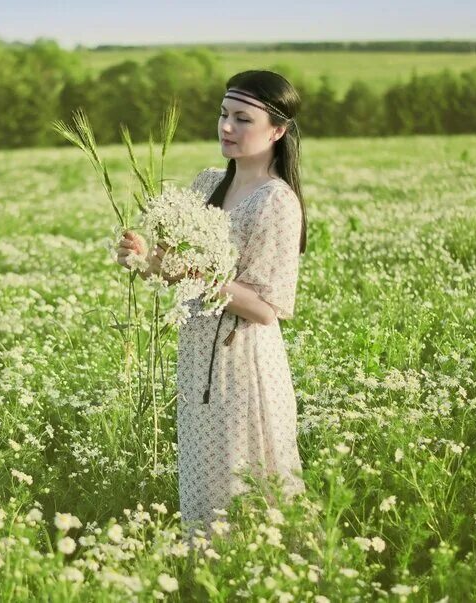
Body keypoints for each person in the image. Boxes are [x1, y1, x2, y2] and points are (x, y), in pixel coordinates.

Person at [116, 70, 309, 546]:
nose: (226, 127)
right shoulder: (207, 183)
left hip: (243, 364)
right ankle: (207, 578)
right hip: (197, 357)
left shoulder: (276, 202)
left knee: (247, 481)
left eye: (243, 118)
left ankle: (265, 578)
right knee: (205, 481)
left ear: (277, 130)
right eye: (224, 115)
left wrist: (198, 275)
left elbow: (267, 308)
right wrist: (141, 258)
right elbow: (173, 268)